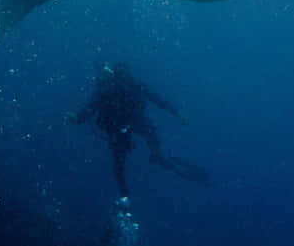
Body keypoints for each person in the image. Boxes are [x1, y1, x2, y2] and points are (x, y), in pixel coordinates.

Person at [65, 62, 209, 197]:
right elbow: (159, 100)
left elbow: (90, 108)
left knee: (120, 158)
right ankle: (155, 159)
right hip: (125, 123)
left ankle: (125, 192)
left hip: (121, 125)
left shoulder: (110, 88)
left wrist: (77, 119)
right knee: (141, 139)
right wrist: (177, 114)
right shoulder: (130, 85)